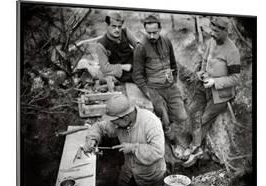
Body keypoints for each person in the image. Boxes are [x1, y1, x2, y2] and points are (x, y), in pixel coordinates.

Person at [184, 16, 241, 167]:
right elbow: (204, 59)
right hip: (205, 86)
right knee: (191, 110)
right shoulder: (211, 42)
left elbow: (236, 78)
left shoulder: (232, 51)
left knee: (203, 119)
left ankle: (195, 149)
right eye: (212, 30)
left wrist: (215, 81)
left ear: (225, 31)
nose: (213, 34)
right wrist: (201, 72)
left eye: (216, 32)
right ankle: (194, 142)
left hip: (221, 94)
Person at [81, 94, 166, 186]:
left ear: (125, 118)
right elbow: (99, 127)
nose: (114, 125)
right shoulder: (118, 122)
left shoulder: (150, 122)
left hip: (150, 177)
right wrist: (93, 139)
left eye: (116, 123)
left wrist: (133, 148)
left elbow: (158, 151)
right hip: (128, 173)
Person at [133, 13, 188, 143]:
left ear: (160, 29)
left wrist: (173, 81)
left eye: (155, 32)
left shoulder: (167, 42)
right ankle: (171, 139)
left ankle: (171, 123)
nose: (152, 36)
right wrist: (149, 93)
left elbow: (173, 64)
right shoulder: (140, 48)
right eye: (149, 33)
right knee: (163, 116)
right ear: (145, 31)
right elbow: (137, 76)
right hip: (154, 88)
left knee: (182, 116)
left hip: (169, 86)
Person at [97, 11, 138, 84]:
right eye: (114, 26)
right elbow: (104, 68)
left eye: (119, 27)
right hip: (122, 73)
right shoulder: (101, 44)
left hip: (135, 65)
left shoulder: (125, 32)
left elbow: (139, 47)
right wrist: (122, 67)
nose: (117, 30)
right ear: (107, 25)